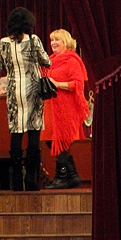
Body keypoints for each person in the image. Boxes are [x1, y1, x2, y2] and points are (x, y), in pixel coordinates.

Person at [0, 7, 51, 191]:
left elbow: (1, 65)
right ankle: (30, 178)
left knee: (16, 132)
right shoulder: (33, 40)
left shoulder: (4, 42)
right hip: (33, 89)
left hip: (14, 90)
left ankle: (16, 179)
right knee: (33, 132)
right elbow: (46, 61)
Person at [43, 29, 90, 189]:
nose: (53, 43)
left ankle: (62, 177)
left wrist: (58, 84)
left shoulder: (72, 60)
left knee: (62, 141)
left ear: (66, 42)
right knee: (50, 140)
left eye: (57, 40)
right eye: (52, 40)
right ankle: (72, 175)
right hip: (50, 107)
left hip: (66, 108)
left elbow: (78, 84)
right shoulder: (50, 60)